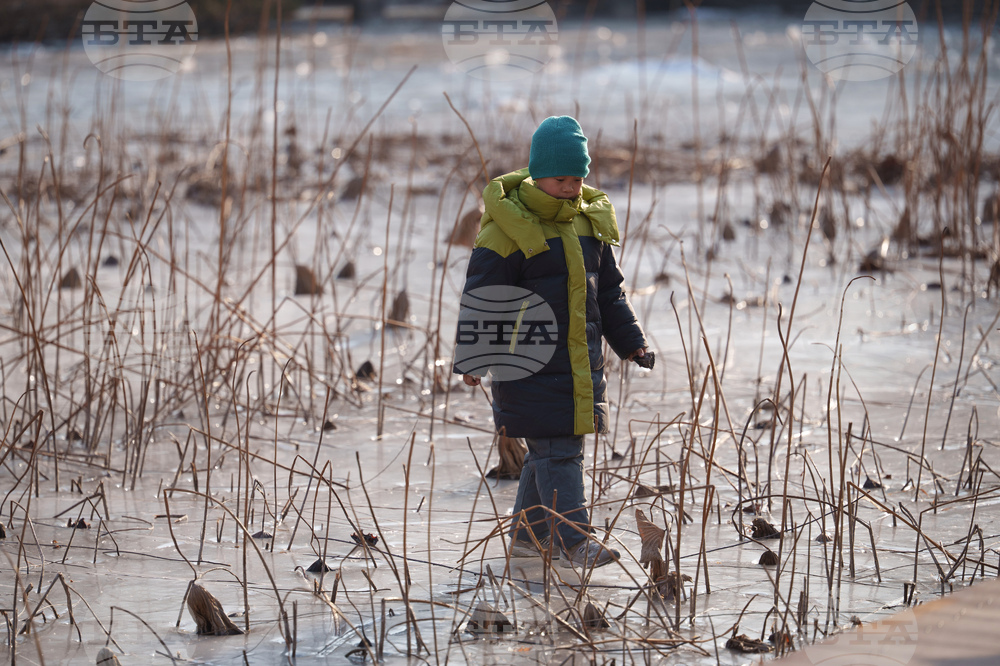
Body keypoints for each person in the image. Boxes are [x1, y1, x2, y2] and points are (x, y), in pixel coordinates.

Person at [455, 116, 649, 569]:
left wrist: (632, 343)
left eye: (578, 178)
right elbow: (486, 297)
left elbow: (609, 294)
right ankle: (575, 540)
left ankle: (527, 538)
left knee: (547, 450)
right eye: (561, 178)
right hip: (527, 365)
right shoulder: (508, 225)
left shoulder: (588, 225)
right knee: (559, 450)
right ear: (538, 174)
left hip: (579, 364)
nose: (571, 187)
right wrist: (474, 359)